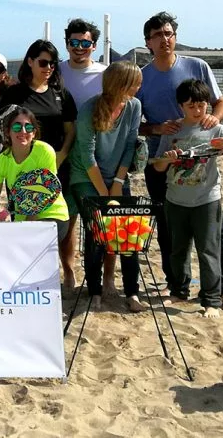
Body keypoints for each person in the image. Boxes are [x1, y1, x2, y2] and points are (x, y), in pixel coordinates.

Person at [136, 11, 223, 311]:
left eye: (168, 33)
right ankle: (175, 284)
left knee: (215, 230)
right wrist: (156, 128)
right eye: (157, 35)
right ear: (148, 42)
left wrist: (211, 121)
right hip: (164, 159)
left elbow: (221, 103)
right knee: (168, 226)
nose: (164, 39)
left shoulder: (197, 66)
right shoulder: (142, 77)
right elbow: (134, 122)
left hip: (203, 161)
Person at [153, 79, 223, 317]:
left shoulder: (214, 128)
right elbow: (157, 166)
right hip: (175, 199)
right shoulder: (174, 130)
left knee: (208, 249)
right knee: (178, 249)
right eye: (191, 107)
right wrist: (167, 159)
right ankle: (179, 289)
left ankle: (211, 299)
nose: (197, 111)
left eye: (202, 106)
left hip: (206, 199)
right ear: (181, 107)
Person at [0, 39, 78, 286]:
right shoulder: (14, 93)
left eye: (53, 63)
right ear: (30, 62)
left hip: (55, 166)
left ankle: (68, 270)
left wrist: (61, 154)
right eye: (43, 62)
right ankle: (32, 277)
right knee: (26, 224)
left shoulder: (60, 94)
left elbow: (70, 129)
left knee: (63, 221)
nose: (48, 67)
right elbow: (4, 129)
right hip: (22, 171)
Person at [70, 61, 145, 312]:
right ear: (119, 84)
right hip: (86, 177)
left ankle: (132, 292)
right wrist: (104, 193)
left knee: (128, 233)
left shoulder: (134, 106)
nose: (139, 86)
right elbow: (87, 155)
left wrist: (119, 183)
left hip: (116, 177)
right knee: (98, 234)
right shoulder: (90, 108)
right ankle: (95, 292)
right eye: (135, 82)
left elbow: (129, 145)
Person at [59, 19, 108, 290]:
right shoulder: (55, 72)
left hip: (96, 155)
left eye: (85, 43)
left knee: (99, 219)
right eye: (74, 42)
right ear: (67, 44)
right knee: (66, 218)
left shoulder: (105, 74)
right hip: (63, 154)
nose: (80, 48)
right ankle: (69, 271)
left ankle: (103, 278)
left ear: (94, 45)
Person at [0, 105, 70, 239]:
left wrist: (26, 227)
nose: (23, 131)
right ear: (8, 132)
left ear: (34, 133)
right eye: (17, 127)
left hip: (53, 215)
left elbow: (43, 194)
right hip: (23, 220)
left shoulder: (45, 151)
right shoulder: (1, 161)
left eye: (28, 127)